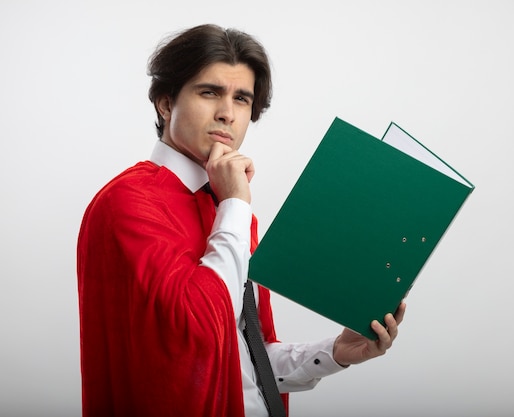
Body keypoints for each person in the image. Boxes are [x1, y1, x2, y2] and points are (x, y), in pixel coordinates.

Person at [76, 23, 406, 417]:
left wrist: (335, 352)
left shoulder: (229, 210)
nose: (226, 114)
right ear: (166, 103)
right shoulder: (129, 202)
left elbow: (246, 356)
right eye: (209, 92)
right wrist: (235, 203)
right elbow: (198, 329)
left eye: (242, 99)